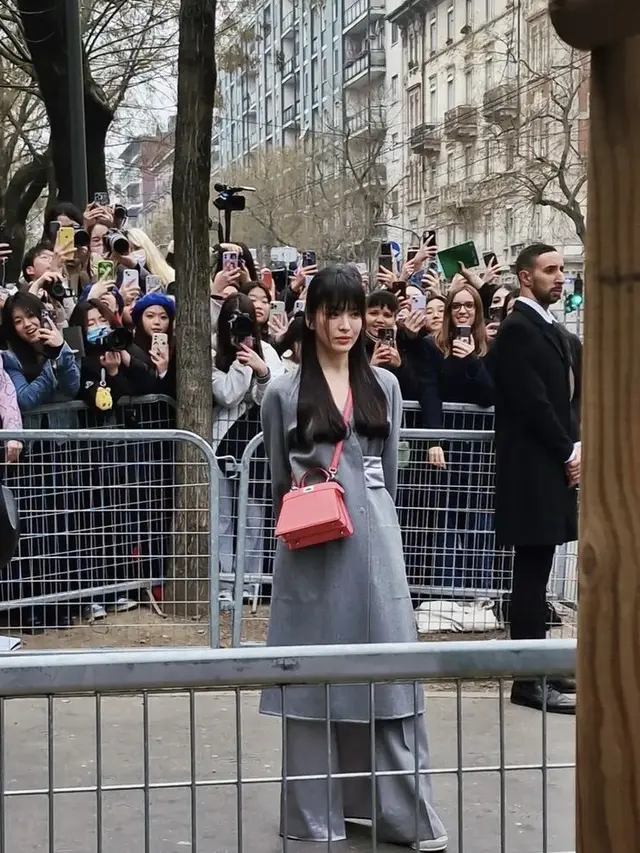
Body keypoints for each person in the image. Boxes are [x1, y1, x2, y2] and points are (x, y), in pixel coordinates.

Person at [259, 265, 447, 850]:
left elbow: (387, 471)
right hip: (311, 547)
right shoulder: (283, 390)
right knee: (315, 679)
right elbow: (276, 477)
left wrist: (370, 513)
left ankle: (402, 813)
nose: (344, 324)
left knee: (388, 675)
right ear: (311, 316)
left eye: (353, 311)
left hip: (375, 543)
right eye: (331, 312)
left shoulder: (385, 386)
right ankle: (315, 814)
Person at [492, 243, 580, 714]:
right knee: (529, 577)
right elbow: (533, 403)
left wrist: (574, 445)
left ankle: (540, 665)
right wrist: (568, 449)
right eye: (551, 270)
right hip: (530, 471)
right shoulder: (517, 330)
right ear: (526, 278)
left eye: (562, 269)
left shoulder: (546, 328)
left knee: (538, 574)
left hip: (547, 468)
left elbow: (566, 397)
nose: (560, 277)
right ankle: (528, 679)